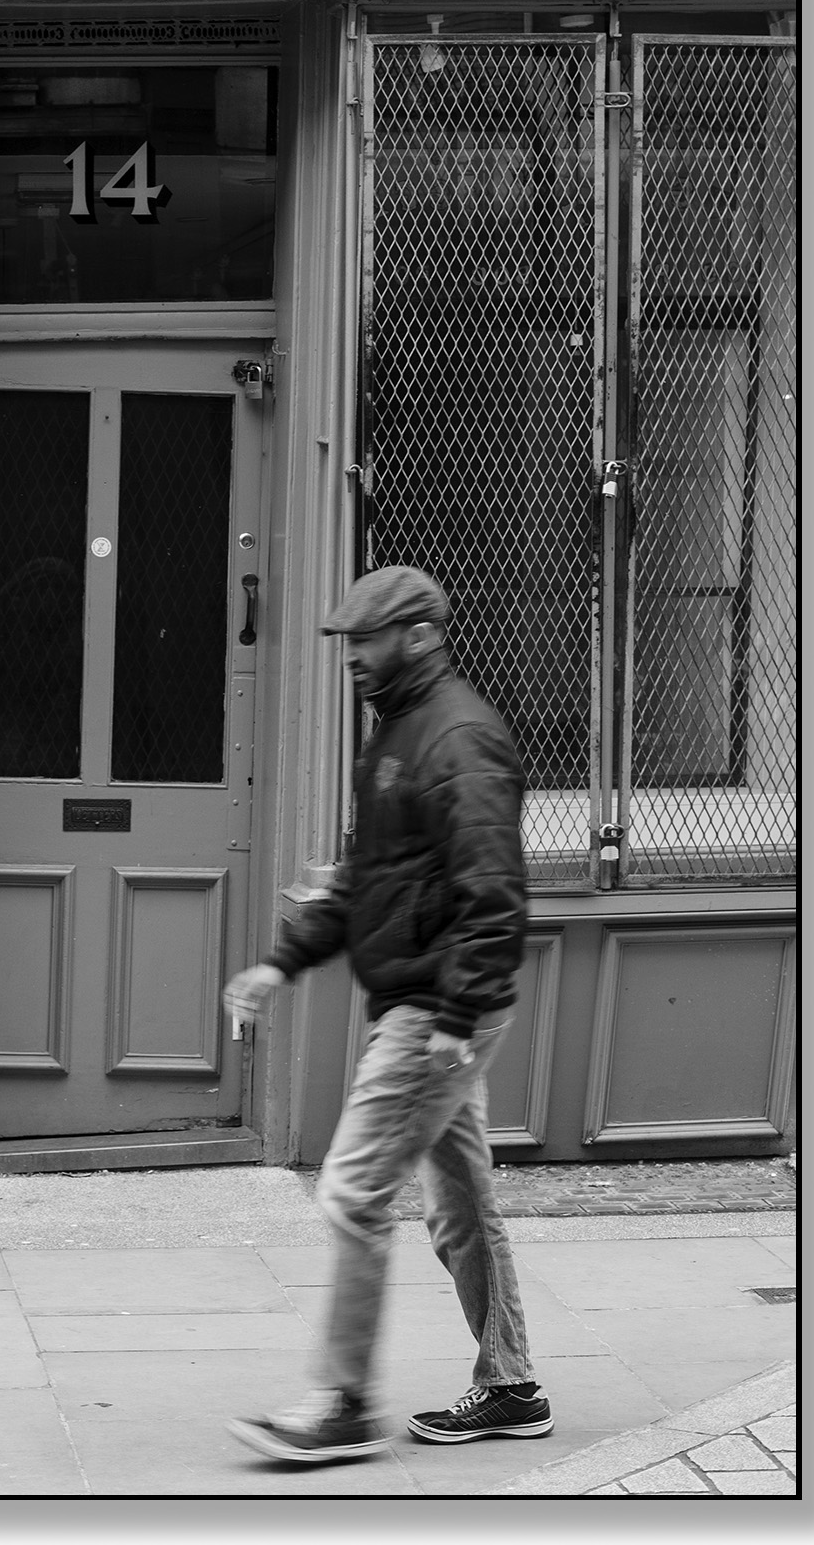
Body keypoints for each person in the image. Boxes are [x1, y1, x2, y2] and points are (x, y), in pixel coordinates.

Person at [223, 565, 550, 1466]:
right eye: (348, 643)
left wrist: (457, 1014)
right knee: (461, 1202)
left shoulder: (461, 739)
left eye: (365, 640)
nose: (353, 658)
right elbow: (368, 883)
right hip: (433, 999)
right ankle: (513, 1386)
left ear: (417, 635)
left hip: (435, 1011)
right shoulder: (396, 735)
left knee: (354, 1190)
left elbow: (496, 895)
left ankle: (343, 1404)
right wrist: (278, 966)